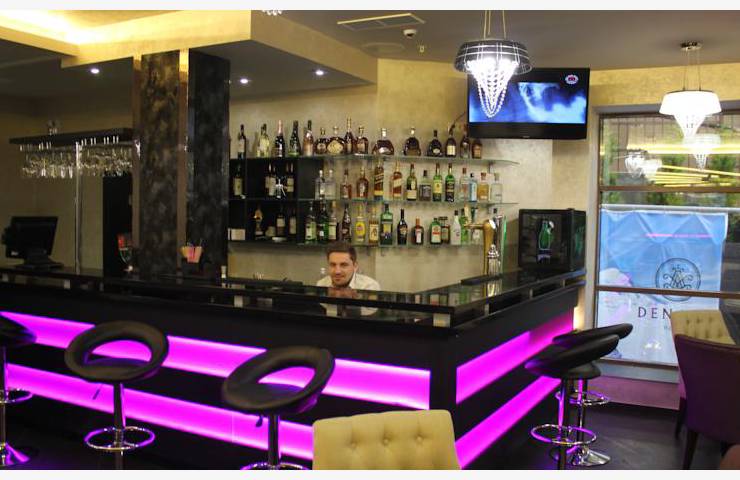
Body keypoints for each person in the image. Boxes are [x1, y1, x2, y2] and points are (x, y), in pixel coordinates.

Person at [316, 241, 379, 316]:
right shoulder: (321, 285)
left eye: (343, 265)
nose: (337, 271)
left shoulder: (369, 286)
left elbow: (369, 313)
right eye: (332, 265)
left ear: (355, 266)